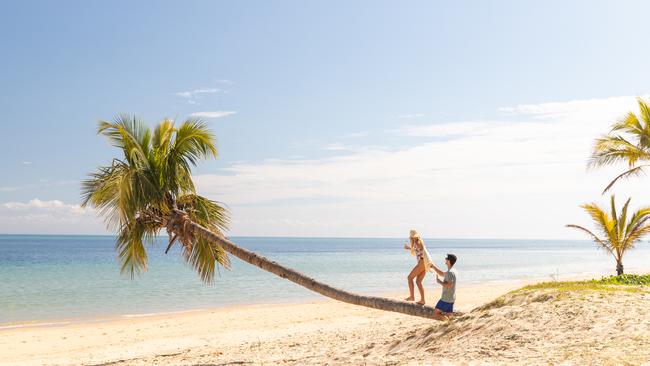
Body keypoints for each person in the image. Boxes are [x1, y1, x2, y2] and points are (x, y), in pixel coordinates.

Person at [403, 230, 434, 305]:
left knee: (409, 278)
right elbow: (418, 250)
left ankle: (412, 296)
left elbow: (419, 248)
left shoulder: (418, 242)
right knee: (418, 282)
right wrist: (409, 248)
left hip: (422, 262)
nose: (411, 238)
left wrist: (410, 247)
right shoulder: (418, 242)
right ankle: (422, 300)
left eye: (412, 237)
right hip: (424, 263)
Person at [431, 254, 457, 319]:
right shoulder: (453, 271)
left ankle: (447, 322)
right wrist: (433, 266)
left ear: (449, 261)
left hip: (446, 298)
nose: (445, 259)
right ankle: (451, 326)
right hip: (451, 298)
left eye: (446, 258)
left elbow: (449, 285)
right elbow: (442, 273)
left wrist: (439, 281)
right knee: (449, 316)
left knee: (435, 314)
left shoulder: (450, 272)